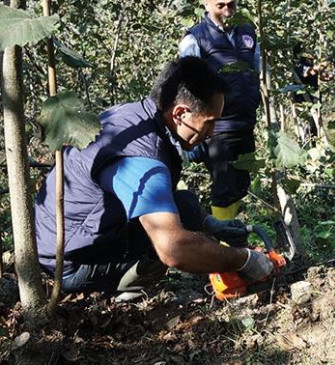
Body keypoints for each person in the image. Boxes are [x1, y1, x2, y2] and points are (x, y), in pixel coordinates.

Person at [34, 57, 274, 300]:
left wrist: (210, 224)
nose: (211, 134)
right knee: (173, 236)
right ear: (180, 113)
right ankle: (124, 292)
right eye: (209, 124)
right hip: (70, 265)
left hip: (65, 240)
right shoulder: (142, 158)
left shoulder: (135, 115)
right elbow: (174, 249)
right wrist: (242, 260)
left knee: (187, 208)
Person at [178, 0, 261, 221]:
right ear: (206, 4)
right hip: (217, 127)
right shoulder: (195, 38)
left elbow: (255, 69)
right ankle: (225, 246)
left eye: (231, 4)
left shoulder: (248, 31)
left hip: (245, 123)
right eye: (220, 5)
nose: (227, 10)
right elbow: (187, 86)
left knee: (241, 185)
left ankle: (235, 236)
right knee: (223, 188)